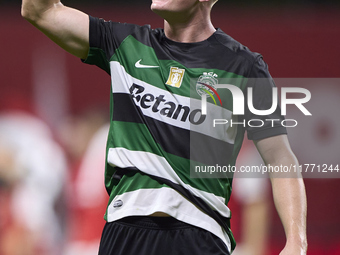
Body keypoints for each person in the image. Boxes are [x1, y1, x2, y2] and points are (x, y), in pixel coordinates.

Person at [21, 0, 307, 254]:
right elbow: (39, 10)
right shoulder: (123, 43)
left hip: (201, 234)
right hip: (125, 232)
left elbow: (280, 158)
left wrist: (296, 243)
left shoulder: (244, 67)